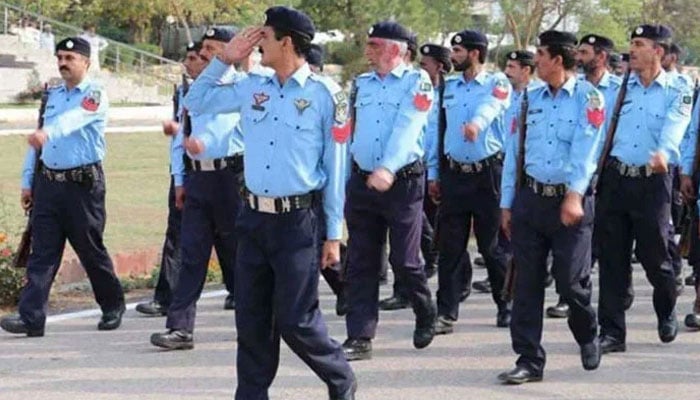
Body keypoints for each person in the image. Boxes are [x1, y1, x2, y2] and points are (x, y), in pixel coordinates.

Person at [183, 7, 357, 399]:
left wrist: (333, 234)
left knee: (297, 319)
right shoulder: (252, 85)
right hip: (253, 218)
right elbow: (197, 101)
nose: (257, 41)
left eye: (265, 35)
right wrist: (225, 60)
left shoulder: (327, 95)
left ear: (287, 42)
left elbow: (336, 165)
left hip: (298, 221)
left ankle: (339, 377)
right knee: (252, 319)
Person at [498, 30, 605, 384]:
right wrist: (507, 203)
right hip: (531, 200)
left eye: (541, 54)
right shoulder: (527, 99)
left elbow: (586, 152)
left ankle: (587, 333)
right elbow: (514, 152)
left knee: (571, 284)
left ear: (557, 59)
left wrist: (574, 195)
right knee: (526, 284)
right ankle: (529, 359)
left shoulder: (589, 99)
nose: (536, 60)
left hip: (568, 204)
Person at [0, 37, 125, 337]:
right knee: (42, 253)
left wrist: (48, 132)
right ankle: (31, 317)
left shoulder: (94, 94)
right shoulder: (52, 96)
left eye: (70, 57)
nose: (63, 63)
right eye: (60, 57)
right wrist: (27, 180)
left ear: (86, 62)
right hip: (49, 185)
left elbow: (75, 119)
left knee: (90, 249)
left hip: (82, 187)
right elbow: (37, 141)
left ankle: (112, 305)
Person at [341, 20, 437, 362]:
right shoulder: (361, 84)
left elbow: (409, 127)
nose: (368, 50)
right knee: (361, 262)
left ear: (398, 50)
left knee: (405, 259)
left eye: (375, 45)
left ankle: (425, 307)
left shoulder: (418, 82)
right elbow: (348, 132)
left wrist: (387, 167)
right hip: (362, 181)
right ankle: (360, 336)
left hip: (402, 182)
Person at [596, 24, 691, 355]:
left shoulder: (678, 88)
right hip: (615, 180)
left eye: (639, 44)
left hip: (652, 182)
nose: (631, 49)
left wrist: (664, 153)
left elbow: (676, 124)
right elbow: (601, 132)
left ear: (659, 52)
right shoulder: (618, 88)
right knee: (611, 259)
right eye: (631, 43)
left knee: (656, 258)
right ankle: (611, 332)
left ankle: (666, 310)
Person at [149, 28, 245, 349]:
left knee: (239, 255)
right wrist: (180, 179)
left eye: (212, 47)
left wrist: (203, 143)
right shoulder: (196, 90)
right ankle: (180, 327)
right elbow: (182, 136)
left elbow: (226, 129)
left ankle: (256, 321)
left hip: (231, 178)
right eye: (203, 48)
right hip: (198, 178)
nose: (204, 53)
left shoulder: (244, 86)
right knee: (192, 253)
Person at [428, 30, 512, 335]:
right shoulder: (447, 88)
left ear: (476, 53)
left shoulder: (497, 83)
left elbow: (492, 107)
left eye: (459, 50)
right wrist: (434, 174)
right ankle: (446, 312)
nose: (453, 55)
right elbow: (436, 132)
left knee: (492, 247)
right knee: (450, 247)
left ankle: (506, 304)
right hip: (454, 175)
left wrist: (476, 124)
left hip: (487, 175)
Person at [545, 34, 625, 319]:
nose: (577, 56)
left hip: (609, 172)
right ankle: (572, 295)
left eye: (584, 52)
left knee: (609, 237)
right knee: (578, 242)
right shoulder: (570, 90)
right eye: (577, 51)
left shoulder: (619, 90)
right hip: (577, 176)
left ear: (601, 57)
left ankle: (618, 289)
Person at [135, 41, 206, 317]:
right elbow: (178, 139)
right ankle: (166, 299)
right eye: (186, 57)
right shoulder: (183, 91)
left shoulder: (226, 93)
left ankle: (243, 296)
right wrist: (178, 179)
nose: (187, 63)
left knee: (231, 243)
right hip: (187, 173)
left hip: (220, 176)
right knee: (176, 236)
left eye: (193, 58)